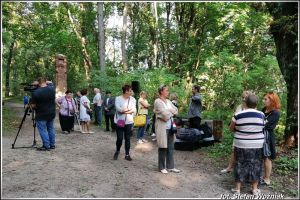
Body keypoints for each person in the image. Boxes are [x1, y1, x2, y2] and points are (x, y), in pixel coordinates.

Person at [229, 94, 265, 195]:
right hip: (257, 144)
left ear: (246, 103)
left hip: (241, 144)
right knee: (256, 164)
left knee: (239, 163)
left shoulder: (238, 115)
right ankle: (254, 189)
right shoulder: (261, 115)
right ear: (256, 104)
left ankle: (237, 189)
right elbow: (263, 127)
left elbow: (231, 128)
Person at [221, 90, 252, 173]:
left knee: (248, 152)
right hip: (238, 132)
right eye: (243, 97)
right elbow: (234, 119)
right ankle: (229, 168)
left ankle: (245, 170)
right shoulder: (239, 107)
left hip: (248, 134)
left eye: (246, 97)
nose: (244, 99)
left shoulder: (253, 108)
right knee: (234, 150)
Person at [154, 84, 181, 174]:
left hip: (170, 127)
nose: (168, 92)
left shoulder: (168, 101)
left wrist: (170, 112)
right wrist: (170, 112)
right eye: (166, 90)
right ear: (161, 91)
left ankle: (170, 166)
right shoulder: (157, 101)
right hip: (162, 127)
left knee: (170, 147)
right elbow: (164, 115)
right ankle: (161, 167)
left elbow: (176, 111)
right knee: (163, 147)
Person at [260, 92, 281, 186]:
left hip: (268, 137)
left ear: (272, 101)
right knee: (260, 157)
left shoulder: (276, 112)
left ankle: (267, 179)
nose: (263, 101)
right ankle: (259, 177)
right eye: (263, 99)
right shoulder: (264, 109)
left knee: (267, 157)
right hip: (260, 135)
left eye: (265, 99)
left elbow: (267, 125)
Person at [30, 77, 56, 151]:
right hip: (51, 113)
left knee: (43, 130)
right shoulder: (52, 89)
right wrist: (40, 82)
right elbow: (50, 83)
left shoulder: (36, 92)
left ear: (38, 83)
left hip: (41, 114)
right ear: (45, 82)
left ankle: (46, 146)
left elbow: (33, 106)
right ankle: (52, 145)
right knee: (50, 128)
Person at [113, 84, 136, 161]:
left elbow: (133, 110)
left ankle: (127, 154)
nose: (131, 92)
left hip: (129, 122)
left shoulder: (133, 99)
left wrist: (124, 111)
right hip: (120, 121)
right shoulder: (118, 98)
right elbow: (118, 109)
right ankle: (117, 150)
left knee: (127, 138)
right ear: (126, 91)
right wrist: (126, 110)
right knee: (119, 138)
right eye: (130, 91)